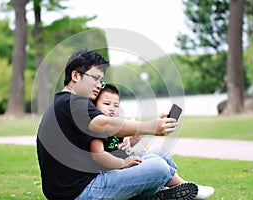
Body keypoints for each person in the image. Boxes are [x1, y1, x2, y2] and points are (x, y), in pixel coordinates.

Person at [36, 49, 199, 200]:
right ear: (76, 76)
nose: (99, 85)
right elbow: (104, 124)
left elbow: (104, 140)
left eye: (101, 80)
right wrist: (149, 127)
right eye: (95, 78)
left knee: (159, 155)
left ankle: (162, 191)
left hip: (80, 185)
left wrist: (130, 141)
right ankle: (151, 193)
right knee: (159, 167)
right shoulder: (72, 102)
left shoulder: (65, 103)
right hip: (80, 192)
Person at [91, 83, 215, 199]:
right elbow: (99, 156)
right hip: (116, 171)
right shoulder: (98, 127)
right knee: (157, 165)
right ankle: (186, 186)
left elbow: (118, 146)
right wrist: (123, 162)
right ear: (94, 106)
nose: (112, 109)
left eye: (116, 105)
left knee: (162, 153)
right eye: (106, 104)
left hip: (125, 163)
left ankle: (164, 190)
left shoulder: (115, 126)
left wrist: (133, 141)